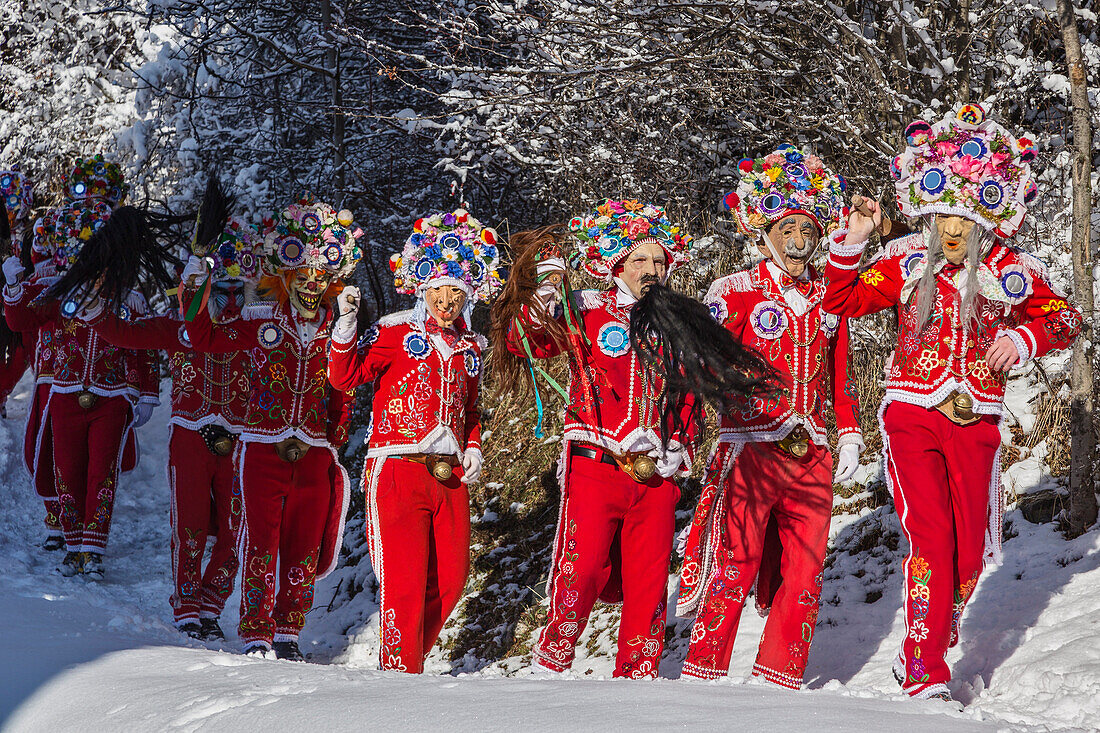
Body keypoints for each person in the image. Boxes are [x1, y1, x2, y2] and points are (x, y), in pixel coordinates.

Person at [823, 104, 1082, 702]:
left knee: (968, 549)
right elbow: (841, 299)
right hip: (911, 413)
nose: (955, 230)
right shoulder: (907, 257)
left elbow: (1064, 317)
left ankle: (934, 634)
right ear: (930, 212)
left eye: (967, 217)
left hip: (978, 422)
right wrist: (855, 241)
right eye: (945, 216)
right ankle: (923, 668)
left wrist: (1025, 335)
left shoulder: (1007, 267)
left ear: (988, 215)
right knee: (932, 536)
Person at [495, 200, 765, 679]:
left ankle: (638, 678)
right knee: (581, 569)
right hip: (596, 464)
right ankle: (550, 665)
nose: (652, 270)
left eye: (660, 261)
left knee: (649, 581)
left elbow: (690, 390)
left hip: (658, 473)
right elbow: (525, 341)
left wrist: (680, 441)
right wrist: (544, 293)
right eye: (640, 260)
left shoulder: (679, 319)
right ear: (617, 263)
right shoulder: (587, 308)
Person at [677, 146, 863, 689]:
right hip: (751, 447)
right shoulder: (733, 293)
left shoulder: (832, 297)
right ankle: (702, 674)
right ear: (765, 231)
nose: (800, 242)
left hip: (814, 451)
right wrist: (686, 434)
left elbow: (842, 375)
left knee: (805, 572)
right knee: (736, 561)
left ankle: (778, 681)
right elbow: (698, 369)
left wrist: (848, 435)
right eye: (789, 229)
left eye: (808, 229)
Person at [181, 197, 360, 660]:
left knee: (302, 547)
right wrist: (196, 286)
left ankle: (287, 632)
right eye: (302, 278)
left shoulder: (337, 331)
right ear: (285, 277)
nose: (310, 287)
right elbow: (201, 337)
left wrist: (335, 433)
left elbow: (345, 386)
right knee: (260, 544)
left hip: (314, 452)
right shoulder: (259, 321)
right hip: (261, 449)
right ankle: (256, 632)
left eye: (320, 281)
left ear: (331, 285)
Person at [328, 208, 502, 673]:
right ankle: (402, 676)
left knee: (451, 580)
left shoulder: (471, 347)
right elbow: (344, 376)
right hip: (399, 468)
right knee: (404, 583)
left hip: (451, 474)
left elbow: (470, 411)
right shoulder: (393, 329)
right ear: (422, 286)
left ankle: (403, 662)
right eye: (440, 289)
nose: (448, 299)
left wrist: (476, 445)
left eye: (457, 291)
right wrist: (345, 325)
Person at [80, 215, 260, 639]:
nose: (231, 300)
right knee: (191, 525)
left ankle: (213, 604)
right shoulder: (179, 328)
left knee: (237, 530)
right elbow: (125, 334)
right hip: (191, 438)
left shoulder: (258, 332)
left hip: (241, 442)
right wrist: (92, 312)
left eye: (238, 290)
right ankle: (186, 607)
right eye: (222, 290)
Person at [3, 155, 159, 579]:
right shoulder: (56, 283)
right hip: (62, 383)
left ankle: (93, 546)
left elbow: (144, 341)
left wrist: (146, 390)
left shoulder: (127, 291)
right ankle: (71, 537)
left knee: (100, 470)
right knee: (62, 463)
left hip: (111, 391)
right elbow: (21, 321)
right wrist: (16, 285)